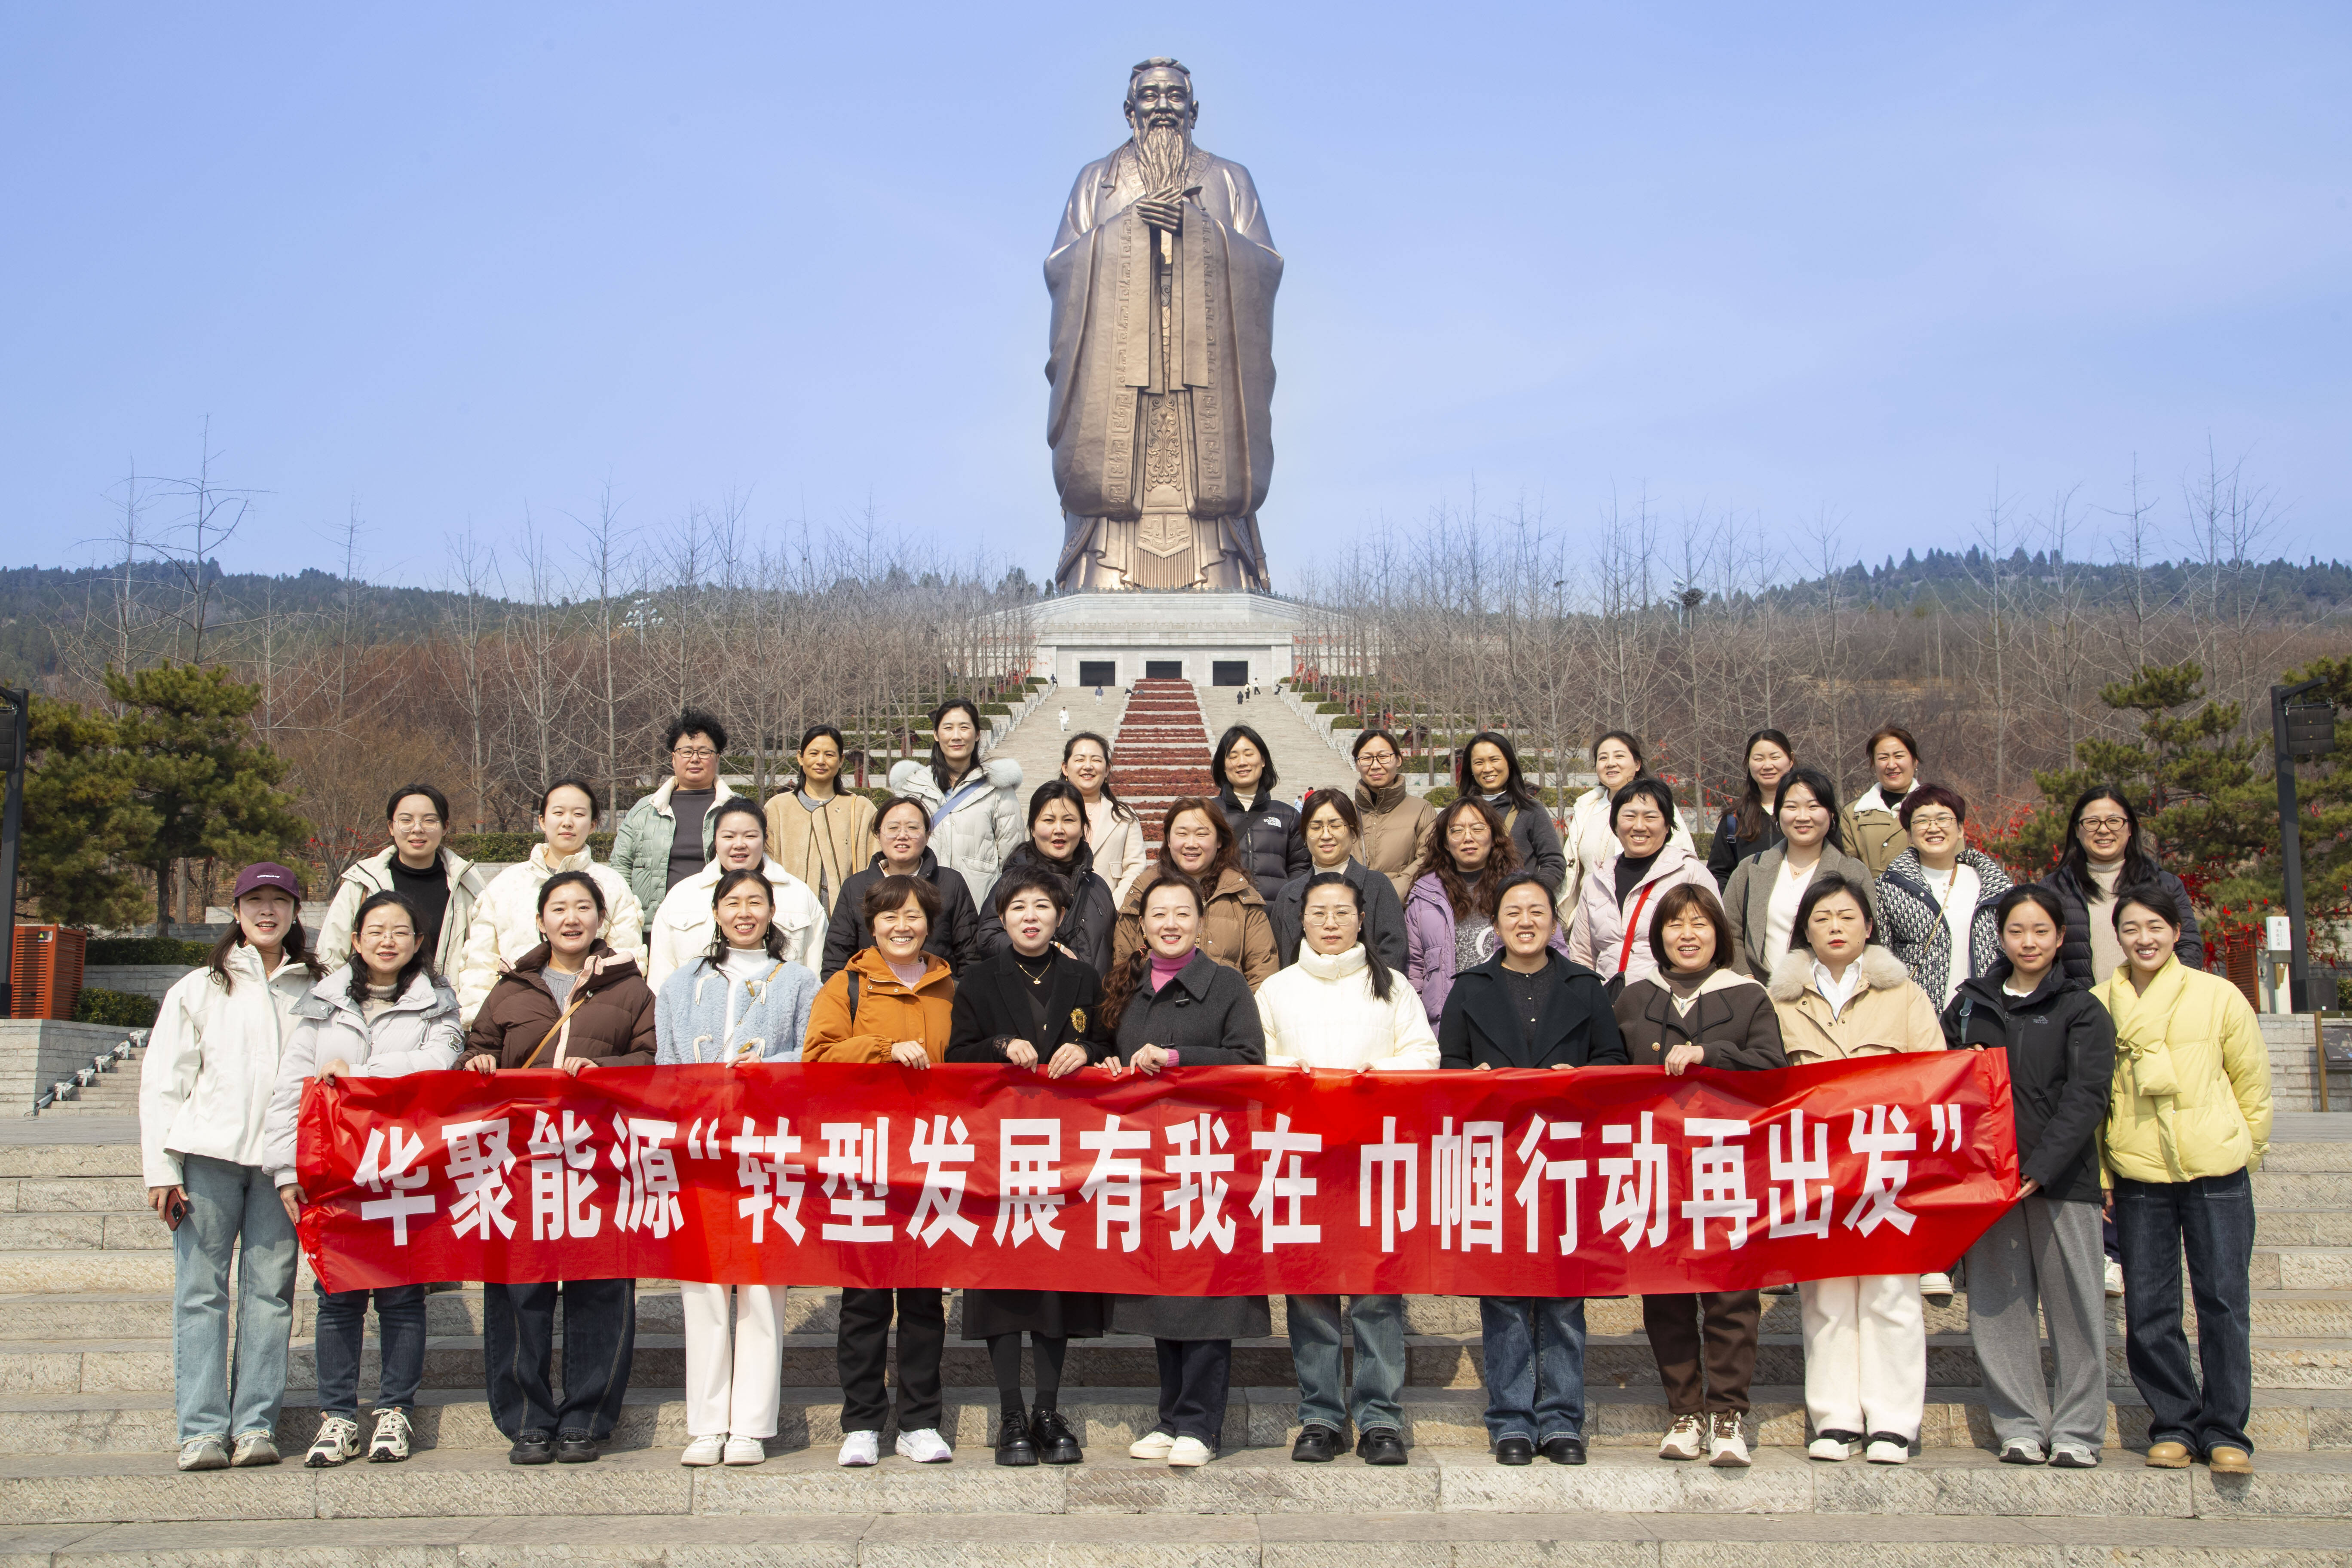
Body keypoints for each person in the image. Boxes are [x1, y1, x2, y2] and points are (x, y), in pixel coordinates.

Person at [460, 871, 657, 1466]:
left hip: (601, 1162)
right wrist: (477, 1062)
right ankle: (527, 1420)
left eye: (583, 908)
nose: (571, 918)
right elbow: (475, 1049)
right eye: (559, 908)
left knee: (601, 1290)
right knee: (519, 1292)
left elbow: (653, 1061)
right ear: (541, 921)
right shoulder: (510, 989)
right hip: (522, 1164)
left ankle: (586, 1420)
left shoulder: (631, 990)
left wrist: (608, 1072)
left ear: (601, 919)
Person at [263, 890, 462, 1467]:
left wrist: (359, 1073)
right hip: (336, 1172)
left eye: (400, 931)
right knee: (338, 1297)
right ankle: (338, 1417)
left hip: (405, 1169)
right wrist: (286, 1169)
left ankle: (395, 1411)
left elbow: (437, 1066)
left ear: (418, 943)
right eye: (375, 931)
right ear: (355, 940)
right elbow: (291, 1089)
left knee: (402, 1296)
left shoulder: (438, 1003)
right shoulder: (323, 1003)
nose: (387, 941)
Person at [139, 862, 322, 1472]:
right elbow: (164, 1083)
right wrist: (161, 1170)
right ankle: (200, 1431)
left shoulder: (318, 988)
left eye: (279, 901)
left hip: (281, 1167)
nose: (267, 911)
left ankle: (255, 1425)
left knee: (270, 1294)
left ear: (296, 912)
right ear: (237, 913)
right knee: (201, 1294)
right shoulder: (199, 988)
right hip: (207, 1160)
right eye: (255, 901)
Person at [1439, 872, 1625, 1465]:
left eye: (1537, 911)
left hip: (1568, 1159)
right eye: (1513, 912)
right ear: (1496, 924)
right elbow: (1448, 1068)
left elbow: (1614, 1062)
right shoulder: (1469, 989)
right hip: (1496, 1161)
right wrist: (1471, 1084)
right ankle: (1512, 1419)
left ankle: (1562, 1420)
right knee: (1505, 1296)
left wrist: (1582, 1080)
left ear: (1554, 921)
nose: (1525, 921)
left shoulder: (1585, 987)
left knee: (1565, 1297)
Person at [1256, 871, 1437, 1466]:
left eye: (1342, 912)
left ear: (1362, 920)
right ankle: (1320, 1416)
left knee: (1376, 1294)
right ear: (1301, 921)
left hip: (1374, 1163)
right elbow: (1256, 1062)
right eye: (1319, 913)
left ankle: (1380, 1418)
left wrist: (1375, 1078)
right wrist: (1296, 1074)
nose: (1330, 923)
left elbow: (1424, 1056)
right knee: (1310, 1294)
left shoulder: (1393, 988)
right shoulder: (1276, 990)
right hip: (1302, 1164)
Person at [1764, 873, 1944, 1465]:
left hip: (1888, 1162)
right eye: (1822, 918)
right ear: (1805, 930)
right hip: (1814, 1165)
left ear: (1869, 926)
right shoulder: (1781, 1001)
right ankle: (1836, 1418)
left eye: (1847, 917)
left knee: (1892, 1293)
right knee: (1827, 1296)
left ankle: (1893, 1421)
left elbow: (1935, 1075)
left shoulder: (1904, 995)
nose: (1835, 927)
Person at [2095, 889, 2271, 1476]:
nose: (2143, 938)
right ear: (2117, 937)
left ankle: (2226, 1429)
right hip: (2139, 1170)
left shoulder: (2219, 996)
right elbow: (2096, 1099)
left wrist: (2245, 1148)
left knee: (2223, 1302)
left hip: (2216, 1169)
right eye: (2131, 928)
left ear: (2176, 932)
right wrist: (2103, 1173)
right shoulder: (2100, 1004)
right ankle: (2173, 1422)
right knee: (2150, 1306)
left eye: (2155, 926)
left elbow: (2251, 1082)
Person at [1611, 882, 1785, 1467]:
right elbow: (1608, 1073)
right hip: (1656, 1166)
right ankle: (1683, 1411)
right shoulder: (1634, 998)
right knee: (1666, 1292)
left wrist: (1712, 1055)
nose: (1687, 935)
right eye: (1675, 924)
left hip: (1729, 1166)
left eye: (1700, 923)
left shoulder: (1749, 996)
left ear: (1719, 933)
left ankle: (1728, 1414)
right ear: (1658, 935)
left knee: (1732, 1294)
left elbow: (1773, 1069)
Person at [946, 867, 1115, 1466]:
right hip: (998, 1152)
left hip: (1064, 1152)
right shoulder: (978, 979)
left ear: (1060, 916)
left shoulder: (1082, 977)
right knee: (1001, 1282)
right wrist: (997, 1048)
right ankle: (1011, 1412)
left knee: (1054, 1283)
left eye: (1042, 906)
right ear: (1001, 917)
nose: (1031, 917)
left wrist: (1086, 1050)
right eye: (1018, 907)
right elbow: (956, 1057)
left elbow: (1108, 1045)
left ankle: (1048, 1409)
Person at [1943, 884, 2116, 1470]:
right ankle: (2018, 1425)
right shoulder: (1970, 1006)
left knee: (2076, 1309)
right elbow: (1943, 1084)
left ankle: (2078, 1431)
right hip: (1989, 1184)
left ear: (2061, 937)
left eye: (2041, 931)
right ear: (2000, 937)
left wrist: (2041, 1169)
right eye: (2016, 931)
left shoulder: (2081, 1008)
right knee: (1998, 1307)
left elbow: (2087, 1097)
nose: (2029, 942)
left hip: (2063, 1181)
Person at [653, 868, 820, 1468]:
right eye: (733, 902)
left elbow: (814, 1055)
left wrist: (766, 1068)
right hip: (700, 1149)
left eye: (755, 902)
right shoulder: (681, 984)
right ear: (716, 912)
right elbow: (666, 1064)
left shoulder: (798, 981)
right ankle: (706, 1424)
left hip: (766, 1148)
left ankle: (750, 1424)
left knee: (760, 1286)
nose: (744, 912)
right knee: (701, 1288)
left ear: (772, 912)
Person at [1105, 872, 1270, 1468]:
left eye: (1182, 913)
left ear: (1201, 923)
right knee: (1162, 1291)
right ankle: (1170, 1417)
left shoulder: (1227, 986)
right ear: (1142, 926)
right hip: (1149, 1160)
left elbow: (1249, 1060)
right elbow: (1110, 1054)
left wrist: (1178, 1058)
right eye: (1159, 914)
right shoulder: (1126, 987)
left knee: (1207, 1294)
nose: (1170, 924)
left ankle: (1202, 1424)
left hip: (1211, 1158)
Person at [804, 874, 959, 1467]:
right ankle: (863, 1421)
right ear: (872, 925)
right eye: (890, 916)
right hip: (864, 1158)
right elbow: (817, 1057)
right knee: (864, 1299)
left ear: (930, 924)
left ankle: (920, 1421)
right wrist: (881, 1049)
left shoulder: (950, 986)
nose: (902, 926)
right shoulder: (847, 985)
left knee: (923, 1300)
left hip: (930, 1160)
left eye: (914, 916)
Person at [455, 779, 642, 1022]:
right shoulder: (506, 884)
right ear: (542, 821)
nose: (568, 822)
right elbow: (481, 962)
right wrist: (480, 1024)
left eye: (579, 814)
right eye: (559, 813)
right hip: (513, 1019)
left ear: (593, 824)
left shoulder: (612, 884)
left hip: (590, 1020)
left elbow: (625, 960)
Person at [1405, 796, 1562, 1028]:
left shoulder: (1523, 889)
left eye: (1478, 829)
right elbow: (1415, 967)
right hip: (1448, 1022)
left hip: (1513, 1018)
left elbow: (1556, 951)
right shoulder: (1425, 895)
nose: (1468, 837)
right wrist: (1417, 1024)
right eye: (1457, 831)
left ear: (1494, 835)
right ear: (1445, 842)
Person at [646, 798, 825, 989]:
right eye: (729, 837)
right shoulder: (683, 896)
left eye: (750, 836)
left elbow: (816, 975)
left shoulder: (797, 894)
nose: (739, 845)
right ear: (715, 840)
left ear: (765, 838)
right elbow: (661, 978)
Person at [1719, 766, 1878, 979]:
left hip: (1830, 990)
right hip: (1761, 990)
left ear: (1831, 813)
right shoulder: (1750, 869)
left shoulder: (1854, 872)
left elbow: (1868, 938)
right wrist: (1747, 979)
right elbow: (1730, 931)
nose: (1802, 817)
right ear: (1778, 814)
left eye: (1813, 807)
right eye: (1792, 807)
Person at [316, 783, 487, 977]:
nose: (417, 829)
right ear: (391, 827)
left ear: (445, 827)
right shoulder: (362, 882)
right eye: (406, 820)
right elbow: (330, 957)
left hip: (449, 995)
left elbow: (484, 956)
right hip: (371, 995)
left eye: (429, 821)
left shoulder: (468, 883)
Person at [2042, 786, 2204, 985]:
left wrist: (2163, 995)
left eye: (2114, 821)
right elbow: (2041, 958)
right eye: (2092, 822)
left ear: (2130, 828)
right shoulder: (2053, 889)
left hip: (2155, 1002)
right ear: (2077, 830)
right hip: (2080, 1004)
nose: (2103, 830)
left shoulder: (2163, 884)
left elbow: (2189, 949)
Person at [1110, 798, 1278, 989]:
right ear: (1169, 840)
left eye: (1202, 834)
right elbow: (1123, 963)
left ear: (1219, 841)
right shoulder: (1142, 889)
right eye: (1182, 834)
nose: (1191, 844)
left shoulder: (1241, 895)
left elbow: (1263, 972)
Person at [1567, 779, 1714, 990]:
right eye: (1629, 816)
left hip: (1671, 997)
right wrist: (1589, 997)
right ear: (1615, 824)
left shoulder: (1690, 873)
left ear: (1668, 825)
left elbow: (1715, 942)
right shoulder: (1596, 881)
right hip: (1609, 1001)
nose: (1639, 826)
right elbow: (1582, 955)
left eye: (1650, 817)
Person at [1877, 784, 2013, 1010]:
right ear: (1909, 834)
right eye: (1922, 821)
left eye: (1943, 819)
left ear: (1960, 829)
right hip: (1918, 1014)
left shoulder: (1994, 885)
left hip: (1987, 1013)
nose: (1933, 828)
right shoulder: (1888, 888)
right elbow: (1881, 957)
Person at [820, 796, 982, 978]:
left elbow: (970, 955)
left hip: (937, 990)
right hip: (870, 992)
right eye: (893, 828)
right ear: (878, 835)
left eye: (913, 828)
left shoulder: (951, 882)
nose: (902, 835)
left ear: (928, 835)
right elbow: (836, 958)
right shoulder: (855, 887)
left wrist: (957, 993)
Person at [888, 696, 1024, 909]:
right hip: (919, 906)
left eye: (964, 727)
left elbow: (1012, 860)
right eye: (948, 728)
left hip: (979, 907)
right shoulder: (912, 788)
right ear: (936, 734)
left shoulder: (998, 789)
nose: (956, 736)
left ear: (977, 734)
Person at [975, 781, 1120, 975]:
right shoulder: (1014, 883)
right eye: (1049, 820)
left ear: (1082, 828)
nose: (1059, 829)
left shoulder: (1097, 886)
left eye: (1069, 820)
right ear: (1033, 829)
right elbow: (988, 938)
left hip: (1093, 994)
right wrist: (1048, 950)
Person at [611, 707, 742, 918]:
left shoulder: (739, 809)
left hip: (721, 923)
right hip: (654, 923)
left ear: (717, 759)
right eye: (687, 752)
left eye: (704, 752)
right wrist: (628, 917)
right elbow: (620, 867)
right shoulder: (645, 811)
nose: (695, 759)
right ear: (674, 758)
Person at [1559, 731, 1695, 926]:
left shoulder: (1658, 806)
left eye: (1619, 756)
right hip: (1591, 920)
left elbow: (1682, 862)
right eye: (1603, 758)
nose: (1610, 763)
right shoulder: (1586, 809)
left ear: (1637, 764)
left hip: (1649, 919)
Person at [1268, 788, 1407, 970]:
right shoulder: (1288, 895)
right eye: (1316, 828)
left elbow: (1394, 952)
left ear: (1354, 832)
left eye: (1335, 826)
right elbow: (1278, 958)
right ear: (1305, 837)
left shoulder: (1378, 886)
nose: (1326, 836)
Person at [763, 723, 878, 918]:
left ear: (841, 760)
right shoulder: (778, 808)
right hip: (789, 916)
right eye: (814, 754)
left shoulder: (861, 808)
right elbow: (766, 867)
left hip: (847, 918)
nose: (821, 761)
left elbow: (876, 868)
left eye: (830, 755)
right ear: (801, 757)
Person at [1457, 731, 1567, 894]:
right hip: (1465, 905)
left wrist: (1529, 893)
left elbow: (1554, 863)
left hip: (1515, 905)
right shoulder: (1457, 813)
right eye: (1479, 763)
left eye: (1495, 760)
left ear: (1509, 762)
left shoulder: (1530, 811)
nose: (1487, 769)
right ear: (1470, 768)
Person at [1211, 723, 1306, 901]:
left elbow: (1301, 865)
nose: (1242, 762)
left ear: (1263, 761)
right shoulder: (1207, 813)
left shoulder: (1288, 815)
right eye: (1233, 756)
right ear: (1223, 766)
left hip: (1275, 912)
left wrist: (1287, 902)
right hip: (1223, 911)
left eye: (1249, 754)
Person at [1061, 730, 1146, 906]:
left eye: (1096, 760)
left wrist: (1110, 908)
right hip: (1059, 910)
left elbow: (1136, 867)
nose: (1088, 766)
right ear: (1066, 768)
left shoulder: (1124, 816)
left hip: (1110, 911)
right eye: (1080, 760)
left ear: (1107, 769)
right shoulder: (1048, 812)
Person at [1351, 727, 1434, 900]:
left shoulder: (1422, 810)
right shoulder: (1345, 812)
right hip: (1350, 907)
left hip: (1401, 905)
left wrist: (1389, 894)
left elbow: (1428, 858)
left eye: (1383, 757)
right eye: (1367, 759)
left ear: (1398, 760)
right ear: (1357, 764)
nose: (1375, 766)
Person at [1706, 729, 1794, 887]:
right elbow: (1718, 875)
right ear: (1748, 763)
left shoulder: (1811, 815)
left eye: (1775, 757)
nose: (1768, 766)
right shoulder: (1734, 819)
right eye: (1759, 759)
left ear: (1791, 760)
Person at [1838, 725, 1923, 877]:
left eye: (1899, 756)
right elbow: (1848, 873)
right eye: (1883, 758)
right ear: (1874, 764)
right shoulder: (1854, 814)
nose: (1891, 765)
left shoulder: (1937, 808)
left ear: (1915, 761)